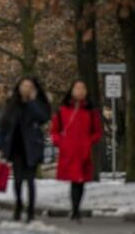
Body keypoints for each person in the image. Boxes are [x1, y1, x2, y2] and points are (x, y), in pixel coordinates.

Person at [0, 77, 51, 223]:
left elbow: (43, 118)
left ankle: (31, 210)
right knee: (18, 180)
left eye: (29, 86)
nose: (26, 88)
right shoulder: (13, 104)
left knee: (30, 180)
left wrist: (32, 101)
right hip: (16, 146)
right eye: (23, 86)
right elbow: (3, 126)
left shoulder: (38, 103)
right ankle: (19, 204)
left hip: (32, 146)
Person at [51, 79, 102, 221]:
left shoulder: (91, 112)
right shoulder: (62, 110)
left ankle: (76, 208)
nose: (80, 91)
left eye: (82, 88)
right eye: (77, 88)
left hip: (83, 150)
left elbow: (97, 132)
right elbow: (54, 130)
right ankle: (75, 209)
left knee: (80, 180)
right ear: (72, 91)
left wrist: (89, 142)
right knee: (74, 180)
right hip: (69, 150)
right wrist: (60, 142)